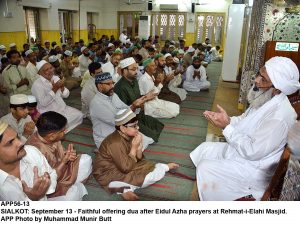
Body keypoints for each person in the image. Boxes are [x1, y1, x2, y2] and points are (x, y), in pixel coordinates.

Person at [190, 57, 300, 201]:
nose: (257, 80)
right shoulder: (267, 98)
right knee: (205, 149)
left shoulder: (278, 118)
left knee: (205, 167)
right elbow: (244, 119)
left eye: (264, 79)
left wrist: (227, 127)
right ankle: (211, 186)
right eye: (259, 74)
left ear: (277, 87)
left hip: (254, 169)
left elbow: (252, 152)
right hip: (244, 151)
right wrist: (227, 119)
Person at [93, 108, 179, 200]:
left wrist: (139, 149)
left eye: (137, 124)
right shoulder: (115, 143)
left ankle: (124, 189)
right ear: (122, 128)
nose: (137, 128)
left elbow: (139, 159)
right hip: (107, 172)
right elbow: (125, 169)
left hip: (123, 165)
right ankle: (163, 167)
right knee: (148, 177)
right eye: (134, 126)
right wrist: (134, 148)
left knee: (145, 166)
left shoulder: (127, 135)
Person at [26, 111, 92, 200]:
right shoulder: (34, 151)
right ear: (51, 136)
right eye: (62, 131)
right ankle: (71, 186)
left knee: (86, 159)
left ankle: (72, 184)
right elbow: (46, 180)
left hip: (64, 169)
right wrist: (64, 161)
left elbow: (61, 153)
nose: (65, 132)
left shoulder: (49, 137)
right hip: (53, 181)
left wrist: (68, 156)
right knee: (72, 195)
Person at [90, 72, 154, 150]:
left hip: (120, 130)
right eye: (108, 84)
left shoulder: (113, 95)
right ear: (100, 86)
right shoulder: (96, 104)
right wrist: (134, 106)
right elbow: (117, 122)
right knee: (132, 150)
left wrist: (140, 102)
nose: (112, 86)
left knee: (143, 140)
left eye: (112, 83)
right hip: (107, 137)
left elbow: (125, 108)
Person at [0, 121, 57, 201]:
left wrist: (44, 189)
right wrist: (33, 199)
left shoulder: (30, 151)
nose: (20, 143)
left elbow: (51, 173)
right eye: (10, 142)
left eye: (18, 137)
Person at [114, 57, 164, 143]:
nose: (136, 71)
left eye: (137, 68)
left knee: (159, 125)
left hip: (139, 114)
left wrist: (145, 98)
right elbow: (123, 112)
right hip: (129, 120)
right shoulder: (120, 87)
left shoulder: (134, 80)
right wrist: (145, 99)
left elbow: (138, 98)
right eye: (133, 69)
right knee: (151, 138)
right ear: (125, 71)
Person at [31, 60, 83, 132]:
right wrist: (54, 89)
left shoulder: (55, 78)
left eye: (51, 68)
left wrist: (62, 87)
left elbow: (66, 95)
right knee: (60, 124)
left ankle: (58, 130)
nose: (50, 71)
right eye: (46, 70)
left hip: (62, 108)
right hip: (49, 113)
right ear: (40, 73)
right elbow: (43, 103)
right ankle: (57, 130)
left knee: (79, 115)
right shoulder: (37, 85)